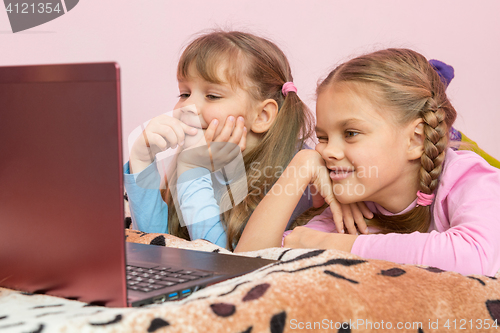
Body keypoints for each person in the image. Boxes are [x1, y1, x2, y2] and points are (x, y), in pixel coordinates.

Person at [235, 48, 500, 276]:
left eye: (350, 133)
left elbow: (474, 255)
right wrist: (301, 165)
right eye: (323, 137)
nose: (327, 152)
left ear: (416, 139)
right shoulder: (355, 207)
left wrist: (332, 244)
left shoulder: (472, 179)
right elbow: (248, 266)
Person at [125, 31, 369, 251]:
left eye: (212, 95)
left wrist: (194, 172)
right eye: (184, 93)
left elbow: (222, 259)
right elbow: (155, 243)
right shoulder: (197, 155)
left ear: (262, 116)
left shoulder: (290, 174)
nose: (188, 106)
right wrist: (141, 161)